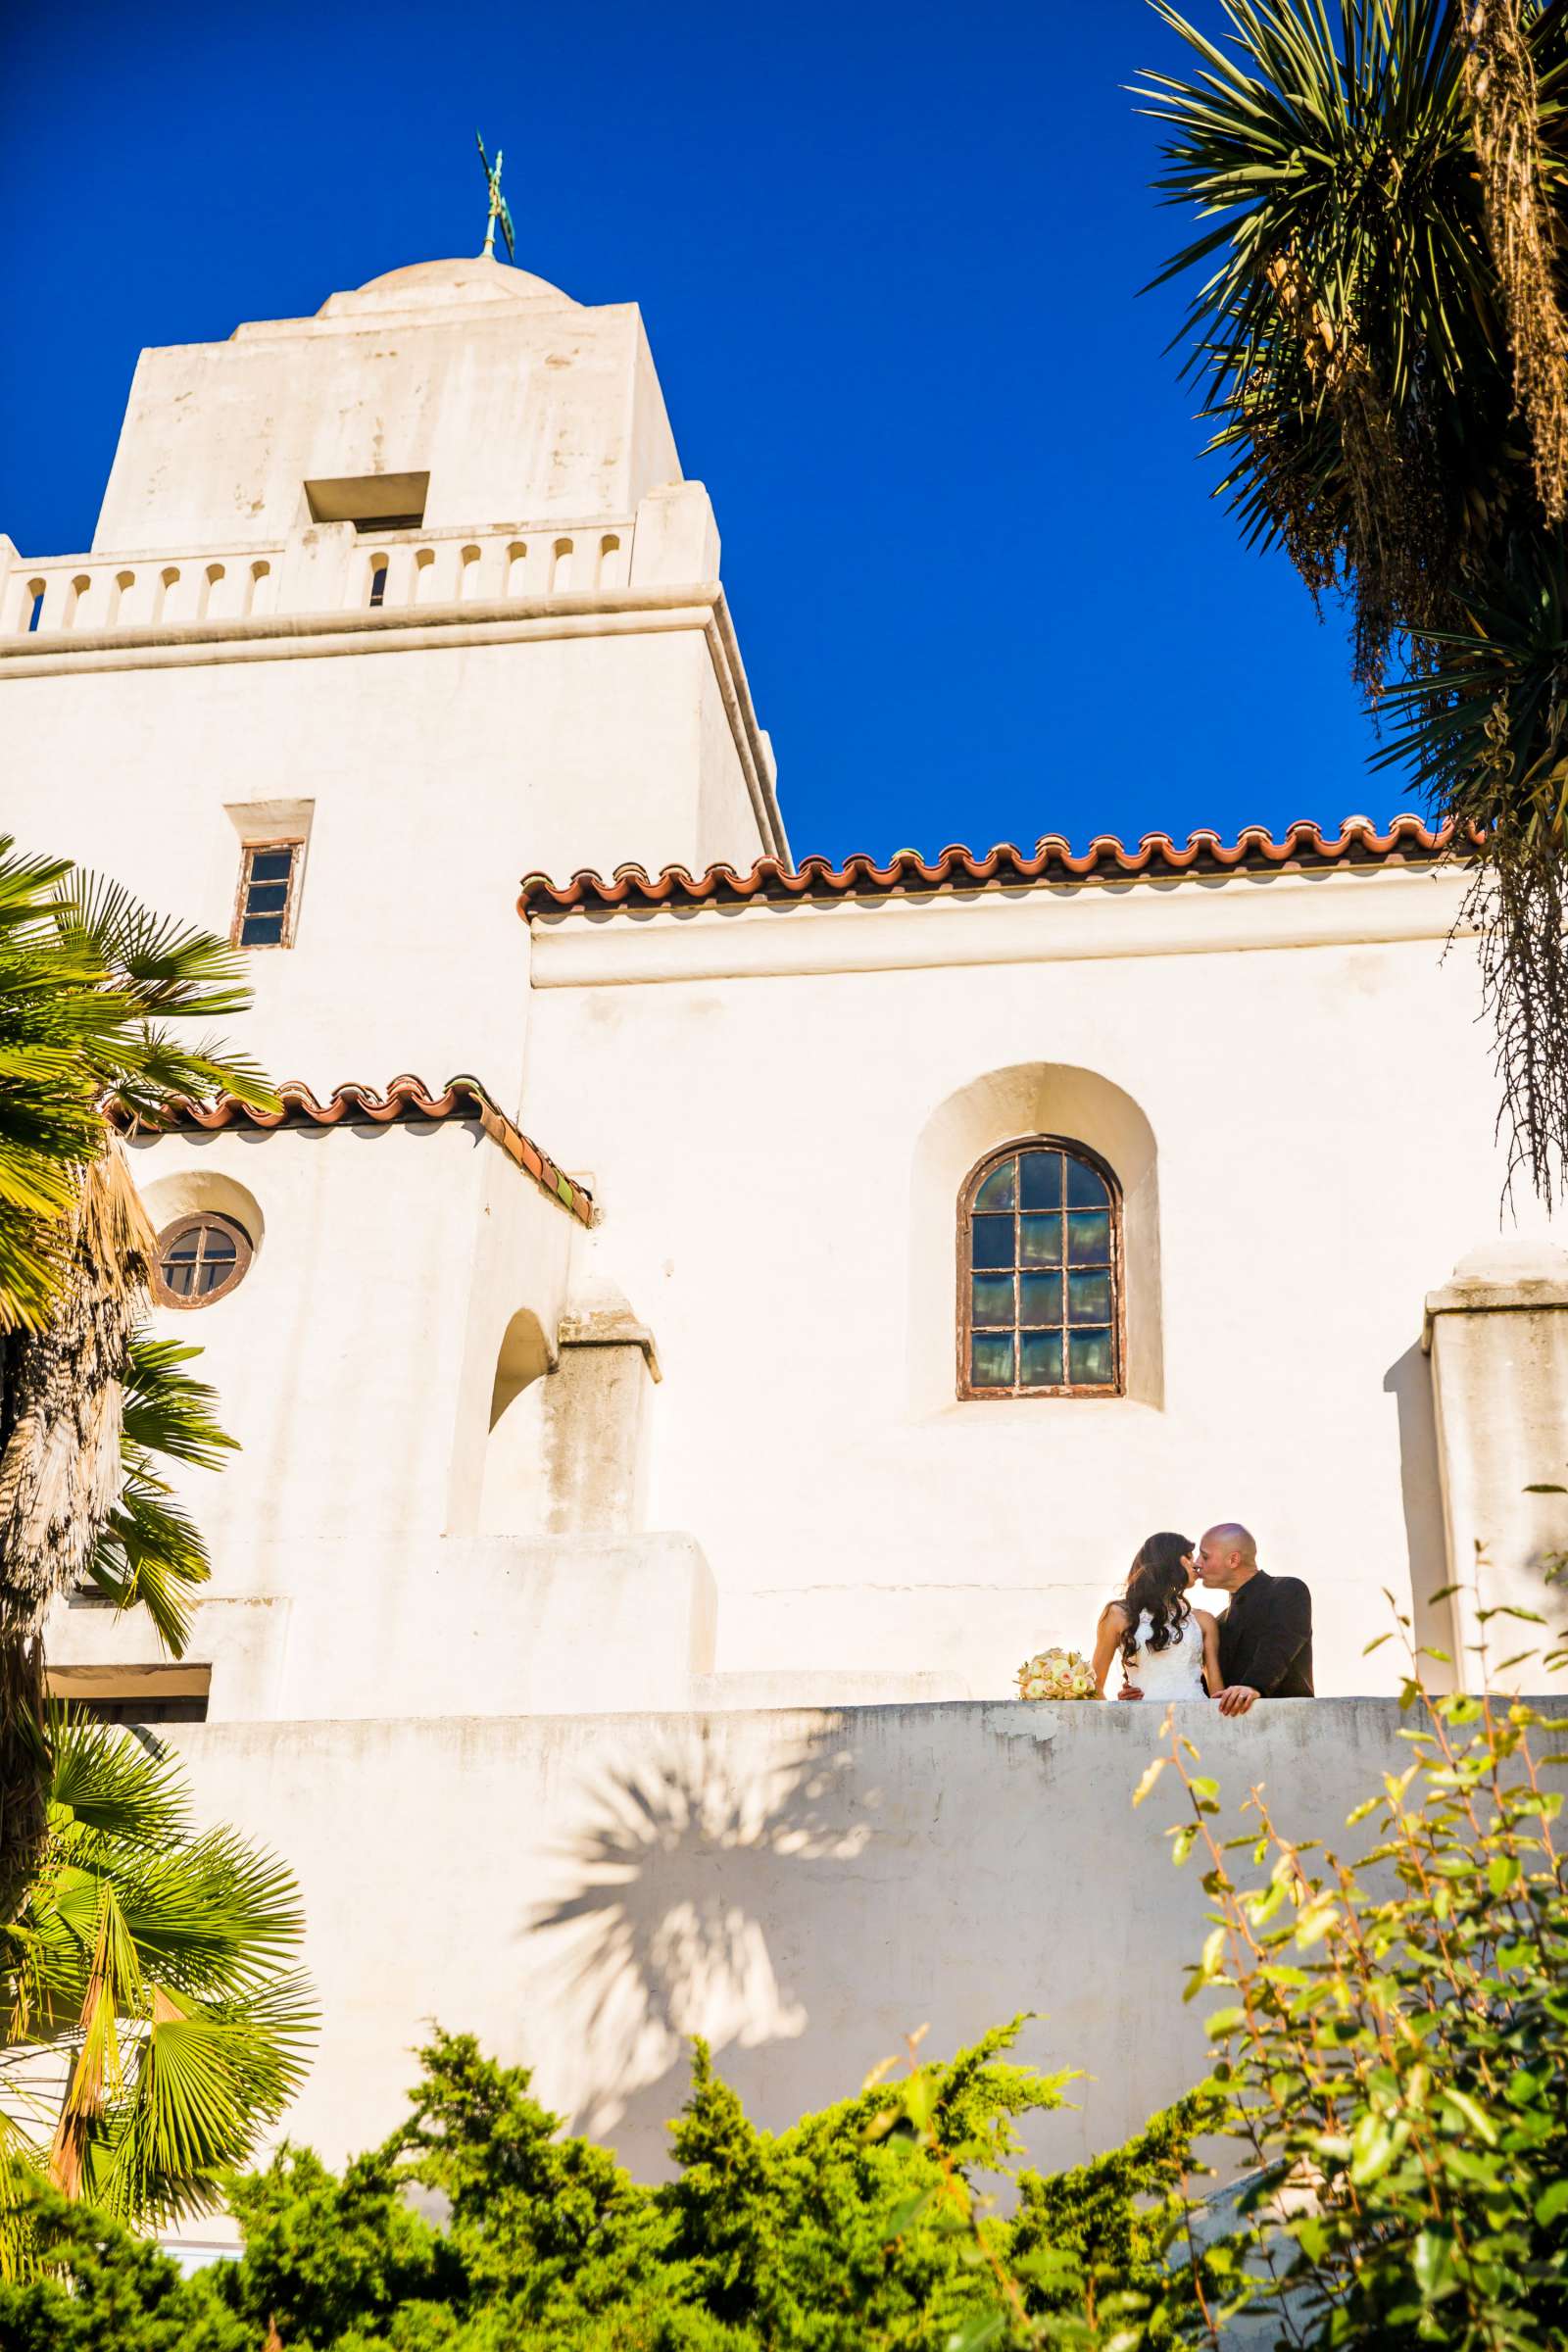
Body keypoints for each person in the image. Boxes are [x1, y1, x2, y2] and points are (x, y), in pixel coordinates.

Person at [1120, 1523, 1314, 1714]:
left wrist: (1254, 1687)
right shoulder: (1216, 1621)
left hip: (1289, 1725)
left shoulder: (1287, 1590)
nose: (1197, 1563)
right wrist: (1144, 1689)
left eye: (1204, 1556)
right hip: (1232, 1734)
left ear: (1233, 1560)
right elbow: (1202, 1685)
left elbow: (1279, 1645)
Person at [1093, 1530, 1221, 1703]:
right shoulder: (1117, 1614)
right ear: (1169, 1561)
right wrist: (1118, 1716)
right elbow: (1095, 1686)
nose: (1196, 1565)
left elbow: (1217, 1694)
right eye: (1188, 1558)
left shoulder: (1204, 1620)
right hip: (1141, 1723)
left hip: (1197, 1720)